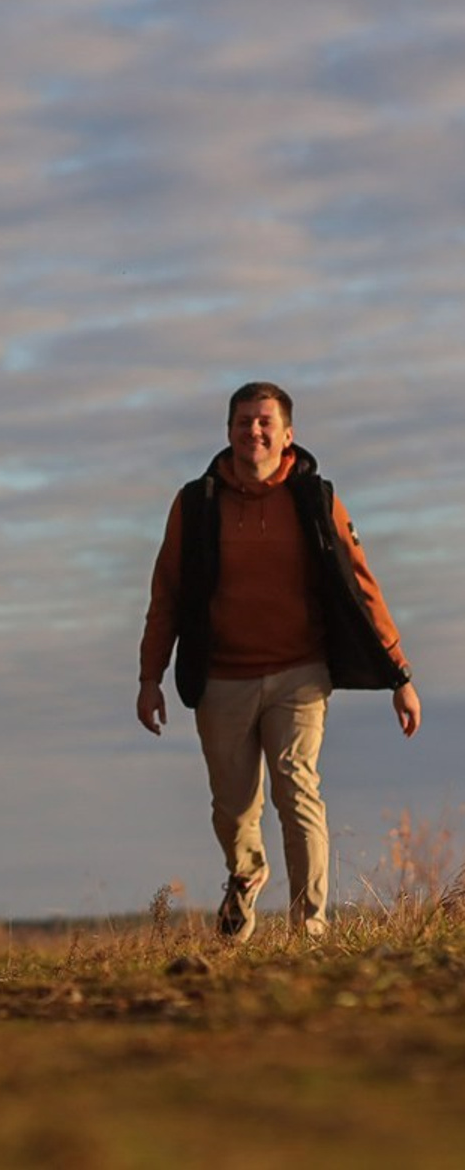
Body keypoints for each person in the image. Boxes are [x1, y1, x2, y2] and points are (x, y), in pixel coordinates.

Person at [136, 382, 421, 941]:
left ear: (288, 434)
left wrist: (400, 674)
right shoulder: (196, 504)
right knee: (234, 808)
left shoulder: (315, 499)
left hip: (300, 672)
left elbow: (362, 585)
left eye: (265, 421)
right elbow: (165, 594)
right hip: (221, 677)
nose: (254, 431)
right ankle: (245, 876)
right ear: (228, 432)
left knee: (297, 788)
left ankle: (309, 928)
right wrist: (150, 678)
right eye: (244, 421)